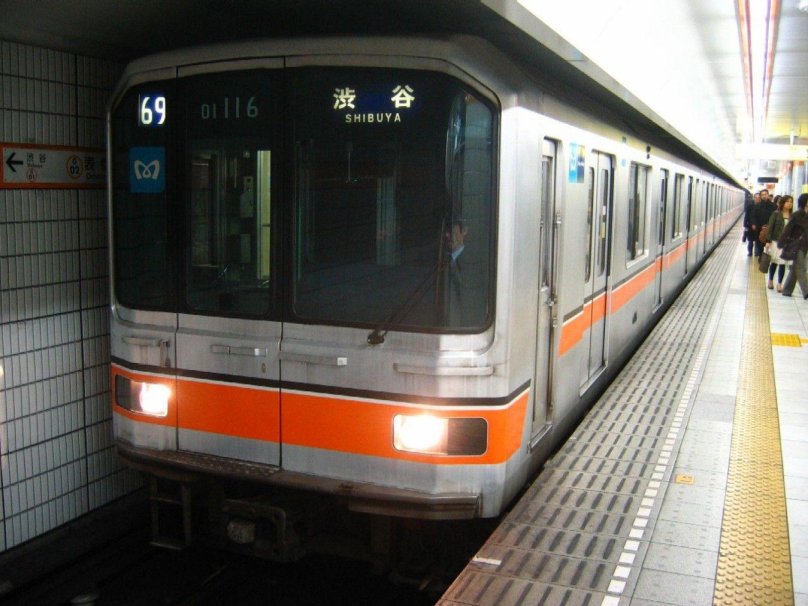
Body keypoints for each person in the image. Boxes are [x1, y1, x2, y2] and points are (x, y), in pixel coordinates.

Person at [780, 193, 808, 299]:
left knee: (795, 268)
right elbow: (787, 230)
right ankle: (806, 291)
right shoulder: (797, 215)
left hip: (805, 245)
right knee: (801, 268)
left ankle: (787, 290)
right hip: (797, 245)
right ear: (805, 202)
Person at [764, 195, 793, 291]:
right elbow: (770, 228)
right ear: (783, 203)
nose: (789, 203)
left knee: (782, 264)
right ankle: (771, 280)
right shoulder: (776, 214)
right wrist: (768, 241)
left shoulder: (792, 216)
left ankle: (780, 284)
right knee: (774, 262)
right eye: (787, 201)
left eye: (791, 202)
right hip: (776, 242)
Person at [752, 189, 776, 257]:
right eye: (762, 195)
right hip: (760, 230)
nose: (764, 196)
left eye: (765, 194)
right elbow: (754, 217)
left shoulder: (774, 206)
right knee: (760, 247)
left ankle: (766, 260)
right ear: (760, 196)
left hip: (771, 230)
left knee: (770, 247)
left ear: (768, 195)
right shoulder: (757, 206)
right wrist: (756, 225)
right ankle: (761, 259)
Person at [744, 192, 760, 256]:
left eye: (759, 198)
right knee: (750, 240)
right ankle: (750, 252)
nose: (757, 199)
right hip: (750, 226)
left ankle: (756, 252)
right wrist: (745, 224)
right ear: (754, 198)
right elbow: (747, 215)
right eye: (756, 198)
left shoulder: (761, 206)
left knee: (757, 240)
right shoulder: (750, 206)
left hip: (758, 226)